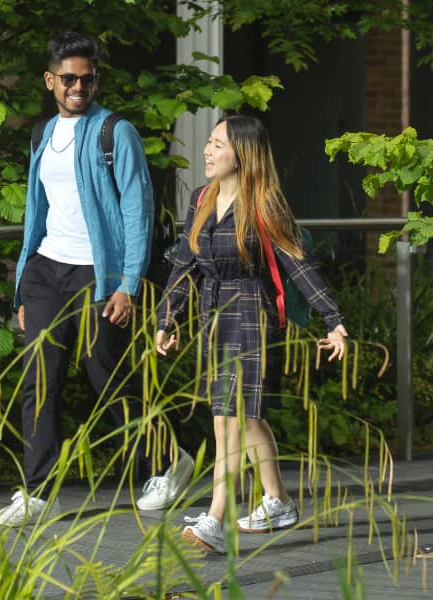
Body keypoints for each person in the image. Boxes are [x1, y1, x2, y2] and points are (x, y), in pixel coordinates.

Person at [0, 31, 192, 527]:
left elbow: (137, 210)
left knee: (107, 372)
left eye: (87, 78)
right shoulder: (41, 134)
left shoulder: (113, 131)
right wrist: (22, 284)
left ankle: (168, 461)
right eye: (69, 79)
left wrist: (127, 283)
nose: (79, 86)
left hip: (96, 273)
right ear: (50, 81)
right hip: (44, 268)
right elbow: (36, 212)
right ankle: (37, 491)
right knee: (39, 377)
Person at [153, 114, 351, 554]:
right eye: (209, 142)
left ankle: (215, 519)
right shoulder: (202, 199)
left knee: (230, 420)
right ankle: (277, 501)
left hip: (250, 314)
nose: (207, 151)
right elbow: (184, 265)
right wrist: (167, 319)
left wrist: (332, 319)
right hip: (212, 316)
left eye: (218, 145)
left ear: (242, 154)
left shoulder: (263, 202)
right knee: (246, 415)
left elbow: (299, 263)